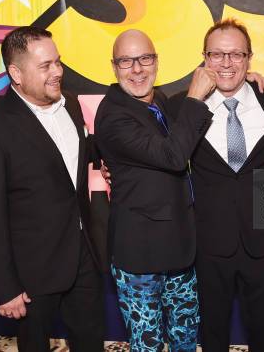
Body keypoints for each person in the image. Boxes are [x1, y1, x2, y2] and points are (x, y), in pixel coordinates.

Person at [0, 26, 104, 352]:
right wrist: (4, 287)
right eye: (45, 66)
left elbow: (70, 174)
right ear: (15, 73)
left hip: (84, 258)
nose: (57, 72)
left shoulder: (70, 104)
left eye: (57, 62)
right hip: (31, 274)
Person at [168, 19, 264, 352]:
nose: (226, 63)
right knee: (212, 333)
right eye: (217, 54)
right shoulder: (181, 105)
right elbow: (159, 155)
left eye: (235, 54)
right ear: (204, 59)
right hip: (210, 243)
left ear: (249, 58)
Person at [94, 29, 217, 352]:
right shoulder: (113, 116)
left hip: (179, 250)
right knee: (147, 344)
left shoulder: (158, 100)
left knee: (185, 337)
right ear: (114, 66)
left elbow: (179, 131)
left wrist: (244, 79)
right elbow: (174, 157)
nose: (137, 69)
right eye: (126, 61)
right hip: (140, 257)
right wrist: (195, 97)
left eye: (144, 59)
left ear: (156, 62)